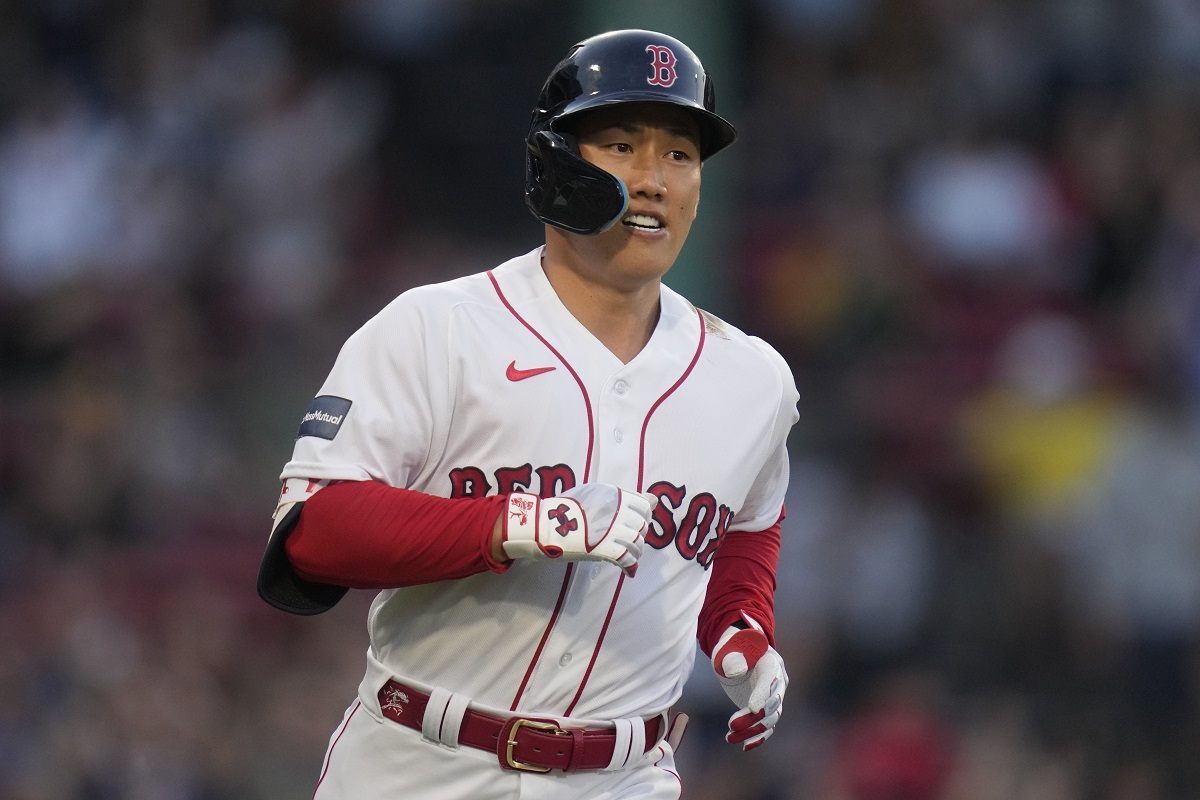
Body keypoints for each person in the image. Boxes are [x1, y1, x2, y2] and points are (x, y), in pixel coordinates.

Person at [257, 28, 799, 799]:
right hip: (423, 761)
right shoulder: (436, 328)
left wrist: (742, 628)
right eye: (619, 145)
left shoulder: (753, 379)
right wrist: (514, 525)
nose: (654, 180)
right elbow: (312, 535)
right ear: (555, 165)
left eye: (680, 154)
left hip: (627, 777)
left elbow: (747, 522)